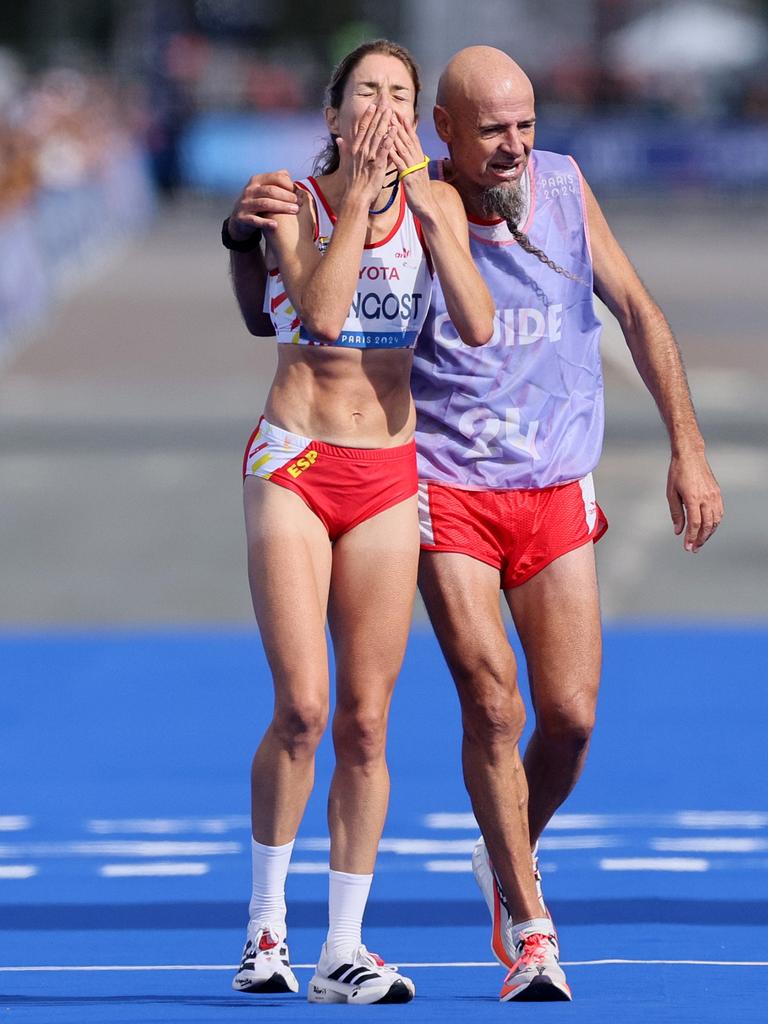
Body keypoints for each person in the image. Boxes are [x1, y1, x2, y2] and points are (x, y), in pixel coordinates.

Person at [228, 46, 723, 1004]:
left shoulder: (526, 193)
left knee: (540, 720)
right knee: (405, 704)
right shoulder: (330, 198)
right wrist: (285, 220)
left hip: (489, 480)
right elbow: (303, 313)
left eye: (526, 125)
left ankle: (453, 884)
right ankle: (500, 930)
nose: (515, 146)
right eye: (491, 129)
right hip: (394, 476)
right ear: (426, 129)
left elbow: (550, 315)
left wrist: (686, 447)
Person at [222, 39, 493, 1006]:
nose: (384, 106)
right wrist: (360, 194)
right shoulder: (290, 200)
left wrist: (427, 213)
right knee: (303, 707)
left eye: (401, 96)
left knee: (368, 726)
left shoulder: (436, 201)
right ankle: (264, 930)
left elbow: (476, 324)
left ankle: (344, 945)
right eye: (366, 93)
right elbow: (325, 315)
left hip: (386, 469)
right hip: (295, 458)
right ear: (333, 115)